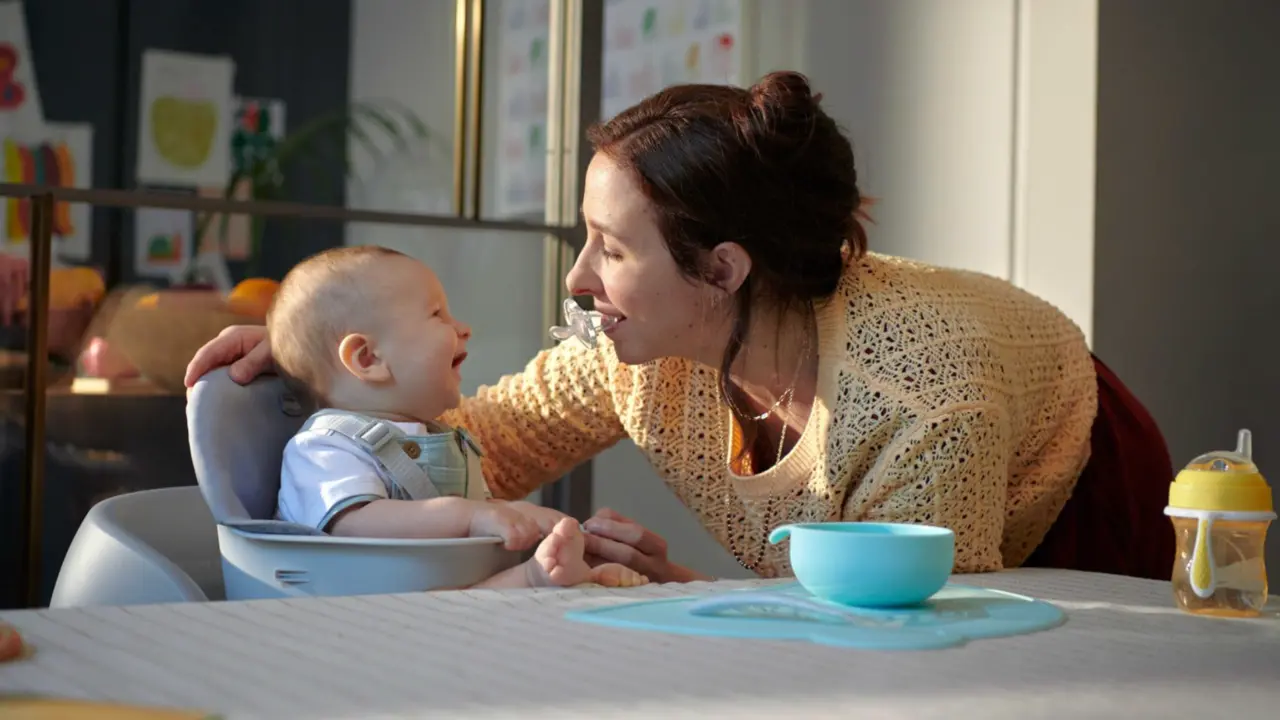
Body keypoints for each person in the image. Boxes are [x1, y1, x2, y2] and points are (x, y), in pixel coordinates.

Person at [186, 71, 1174, 583]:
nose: (577, 281)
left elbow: (915, 634)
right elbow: (459, 448)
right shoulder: (628, 353)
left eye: (608, 249)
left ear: (721, 270)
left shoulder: (919, 398)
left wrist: (690, 590)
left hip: (1071, 494)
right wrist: (320, 353)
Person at [266, 244, 647, 589]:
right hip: (356, 604)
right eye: (437, 315)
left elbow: (471, 516)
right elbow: (352, 524)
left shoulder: (440, 437)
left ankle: (552, 575)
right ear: (368, 359)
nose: (463, 328)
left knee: (517, 582)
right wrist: (469, 515)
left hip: (434, 597)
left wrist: (525, 517)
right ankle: (543, 579)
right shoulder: (323, 447)